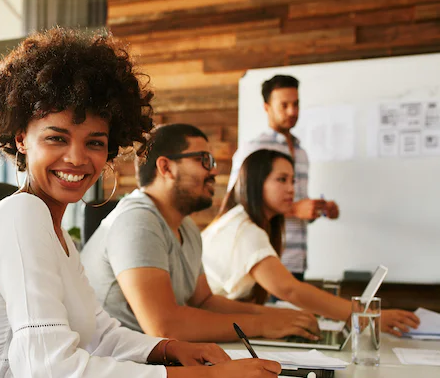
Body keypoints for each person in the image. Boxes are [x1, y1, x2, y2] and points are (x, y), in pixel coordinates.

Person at [0, 29, 281, 378]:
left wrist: (168, 349)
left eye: (94, 142)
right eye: (57, 138)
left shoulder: (58, 235)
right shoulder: (21, 215)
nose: (77, 158)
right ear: (21, 139)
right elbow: (48, 369)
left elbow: (99, 333)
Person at [81, 123, 320, 343]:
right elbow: (164, 327)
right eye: (204, 160)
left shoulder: (187, 228)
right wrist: (263, 324)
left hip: (150, 363)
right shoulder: (137, 221)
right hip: (115, 370)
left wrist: (278, 316)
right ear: (166, 167)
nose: (214, 171)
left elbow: (204, 302)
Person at [202, 149, 420, 336]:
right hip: (207, 329)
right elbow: (290, 290)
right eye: (281, 179)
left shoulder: (241, 221)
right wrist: (364, 315)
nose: (291, 189)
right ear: (256, 182)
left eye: (292, 181)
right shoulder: (244, 230)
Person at [227, 75, 337, 282]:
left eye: (296, 104)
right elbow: (238, 201)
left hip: (297, 260)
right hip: (264, 259)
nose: (292, 111)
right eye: (284, 105)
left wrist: (317, 209)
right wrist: (295, 209)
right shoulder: (254, 149)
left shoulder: (301, 152)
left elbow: (291, 202)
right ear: (267, 107)